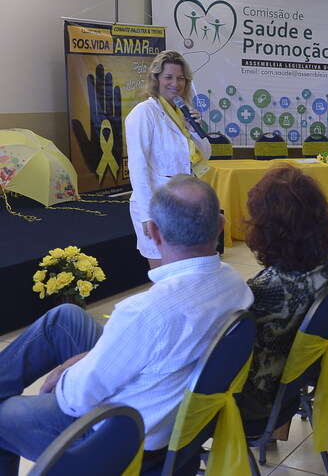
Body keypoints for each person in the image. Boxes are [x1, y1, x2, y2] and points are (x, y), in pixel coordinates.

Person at [0, 175, 253, 473]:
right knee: (65, 318)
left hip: (121, 438)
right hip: (165, 411)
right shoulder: (236, 283)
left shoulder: (145, 311)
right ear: (221, 224)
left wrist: (67, 371)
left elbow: (75, 399)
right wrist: (92, 357)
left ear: (153, 232)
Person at [237, 166, 328, 435]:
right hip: (292, 387)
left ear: (269, 228)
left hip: (254, 404)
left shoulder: (261, 291)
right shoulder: (325, 264)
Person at [126, 50, 211, 269]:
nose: (175, 84)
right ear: (156, 79)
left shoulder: (183, 112)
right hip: (157, 206)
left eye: (180, 78)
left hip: (185, 203)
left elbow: (206, 154)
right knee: (164, 272)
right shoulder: (144, 113)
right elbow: (137, 166)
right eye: (169, 77)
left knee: (186, 270)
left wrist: (193, 130)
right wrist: (147, 215)